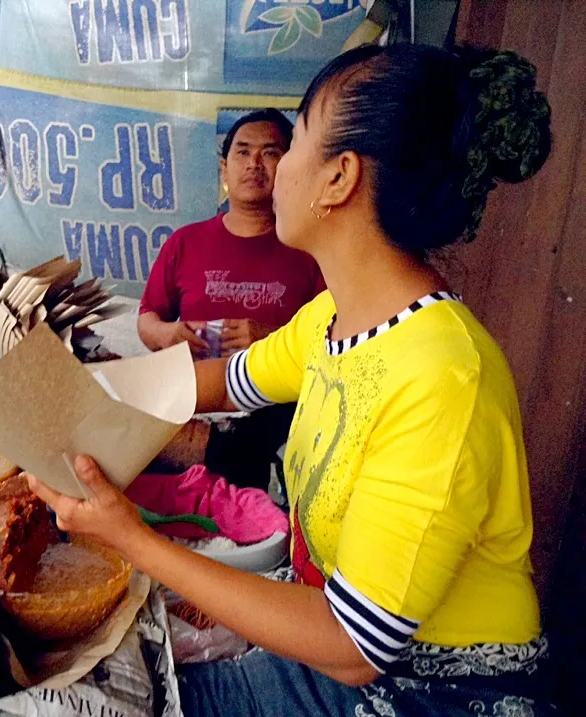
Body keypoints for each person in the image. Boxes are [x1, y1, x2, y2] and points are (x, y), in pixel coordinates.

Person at [28, 44, 556, 716]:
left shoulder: (442, 377)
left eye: (294, 139)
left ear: (338, 177)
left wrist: (132, 537)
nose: (271, 170)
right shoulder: (336, 316)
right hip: (325, 643)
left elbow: (353, 646)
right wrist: (50, 389)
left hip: (430, 690)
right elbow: (213, 384)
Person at [137, 109, 325, 359]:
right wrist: (165, 334)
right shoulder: (184, 243)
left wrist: (275, 341)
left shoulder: (313, 248)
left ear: (291, 166)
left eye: (270, 153)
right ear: (224, 169)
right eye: (243, 152)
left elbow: (335, 336)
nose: (253, 164)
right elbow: (148, 318)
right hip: (194, 394)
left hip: (285, 395)